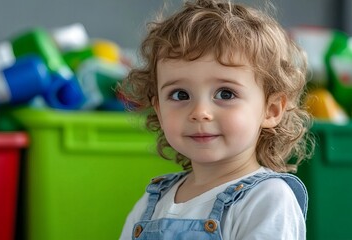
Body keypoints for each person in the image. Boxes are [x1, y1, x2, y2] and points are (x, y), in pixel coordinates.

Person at [118, 0, 314, 239]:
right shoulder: (152, 201)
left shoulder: (268, 198)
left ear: (271, 110)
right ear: (158, 109)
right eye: (180, 95)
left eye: (225, 94)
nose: (200, 112)